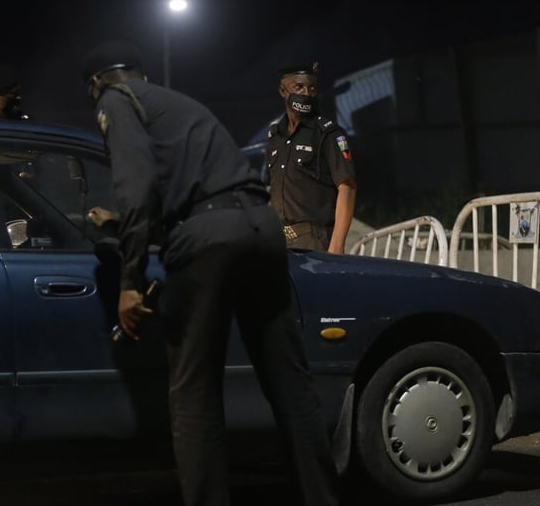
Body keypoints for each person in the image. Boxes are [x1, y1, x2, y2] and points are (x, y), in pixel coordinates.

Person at [80, 39, 339, 506]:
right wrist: (124, 225)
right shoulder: (174, 103)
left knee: (194, 394)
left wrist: (129, 281)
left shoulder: (116, 100)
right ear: (141, 73)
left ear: (97, 83)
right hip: (261, 227)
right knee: (289, 385)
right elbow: (201, 196)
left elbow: (137, 187)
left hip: (208, 238)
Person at [265, 60, 356, 253]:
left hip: (315, 240)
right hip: (279, 239)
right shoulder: (275, 137)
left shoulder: (327, 133)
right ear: (282, 91)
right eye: (298, 87)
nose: (306, 93)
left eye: (312, 88)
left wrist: (337, 245)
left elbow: (347, 186)